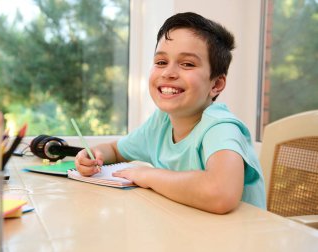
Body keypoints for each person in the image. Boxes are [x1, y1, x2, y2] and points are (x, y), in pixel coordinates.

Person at [74, 12, 266, 214]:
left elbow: (221, 194)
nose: (168, 73)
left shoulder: (220, 127)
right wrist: (94, 155)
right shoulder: (161, 122)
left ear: (216, 84)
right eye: (161, 62)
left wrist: (149, 175)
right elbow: (115, 150)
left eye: (187, 64)